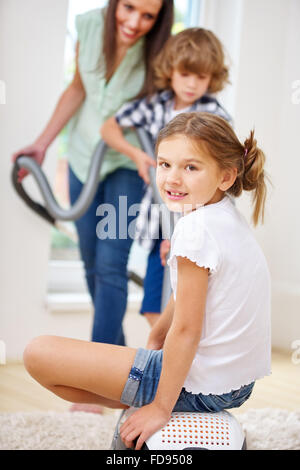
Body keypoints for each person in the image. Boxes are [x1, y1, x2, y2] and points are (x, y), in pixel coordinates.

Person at [23, 112, 271, 450]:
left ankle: (144, 399)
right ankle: (137, 391)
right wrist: (156, 335)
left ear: (226, 176)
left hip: (198, 384)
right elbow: (189, 298)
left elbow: (186, 330)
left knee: (38, 354)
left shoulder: (195, 230)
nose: (172, 178)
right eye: (164, 164)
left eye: (190, 167)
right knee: (108, 362)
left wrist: (160, 407)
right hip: (237, 383)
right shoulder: (223, 215)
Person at [12, 0, 173, 414]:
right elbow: (78, 88)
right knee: (89, 262)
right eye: (129, 8)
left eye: (148, 16)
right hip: (84, 159)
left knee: (110, 264)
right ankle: (118, 367)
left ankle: (96, 380)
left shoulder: (159, 51)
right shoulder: (87, 26)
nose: (135, 22)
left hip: (125, 164)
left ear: (159, 19)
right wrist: (43, 144)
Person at [100, 27, 231, 327]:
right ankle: (164, 365)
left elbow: (217, 176)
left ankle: (179, 368)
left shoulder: (215, 115)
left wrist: (184, 234)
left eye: (201, 77)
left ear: (212, 78)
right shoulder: (154, 105)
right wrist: (137, 155)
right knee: (152, 308)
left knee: (186, 308)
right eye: (185, 74)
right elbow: (109, 128)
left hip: (196, 222)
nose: (192, 84)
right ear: (170, 70)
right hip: (162, 219)